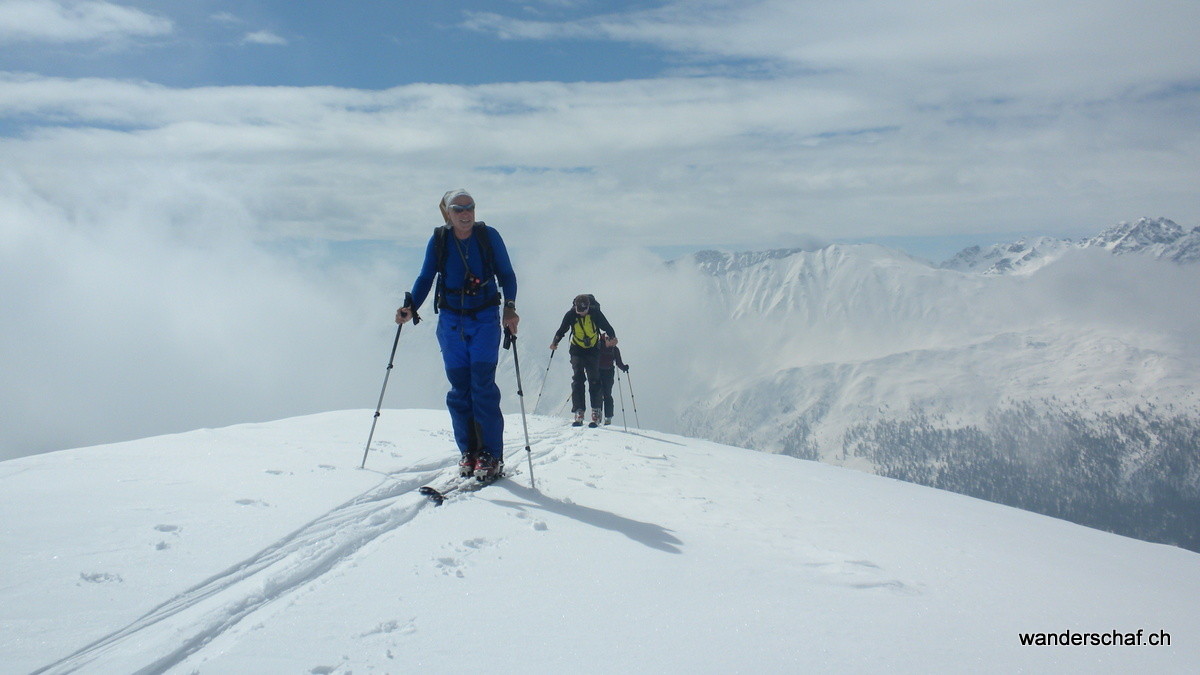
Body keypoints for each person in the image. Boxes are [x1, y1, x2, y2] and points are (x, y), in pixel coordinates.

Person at [396, 189, 519, 480]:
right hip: (451, 322)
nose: (465, 214)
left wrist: (510, 308)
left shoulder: (489, 237)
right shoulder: (440, 240)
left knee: (482, 387)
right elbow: (426, 277)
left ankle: (490, 454)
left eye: (470, 208)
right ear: (448, 214)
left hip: (485, 320)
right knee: (459, 390)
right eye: (458, 209)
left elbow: (507, 275)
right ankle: (470, 451)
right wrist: (410, 306)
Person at [550, 294, 617, 427]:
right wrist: (555, 342)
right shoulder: (570, 315)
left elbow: (607, 327)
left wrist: (612, 337)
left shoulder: (595, 313)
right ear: (575, 307)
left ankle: (595, 412)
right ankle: (579, 411)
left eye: (583, 311)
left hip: (592, 349)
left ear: (588, 307)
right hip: (577, 349)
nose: (581, 313)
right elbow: (562, 329)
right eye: (578, 311)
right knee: (578, 379)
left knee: (594, 380)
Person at [597, 333, 629, 425]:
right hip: (606, 372)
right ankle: (607, 417)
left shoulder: (601, 346)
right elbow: (618, 362)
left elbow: (619, 362)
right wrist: (624, 368)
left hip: (601, 371)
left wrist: (623, 367)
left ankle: (599, 416)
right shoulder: (613, 349)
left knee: (601, 394)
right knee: (605, 394)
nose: (614, 345)